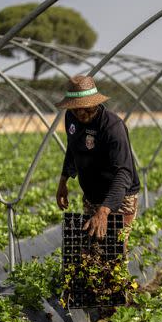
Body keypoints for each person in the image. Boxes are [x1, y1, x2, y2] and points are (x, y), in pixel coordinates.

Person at [55, 75, 140, 239]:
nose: (80, 112)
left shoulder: (112, 127)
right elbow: (72, 148)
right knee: (90, 247)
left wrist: (104, 211)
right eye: (75, 108)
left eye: (86, 107)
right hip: (92, 195)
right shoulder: (71, 118)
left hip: (120, 196)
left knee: (113, 247)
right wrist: (63, 181)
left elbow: (124, 173)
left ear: (95, 102)